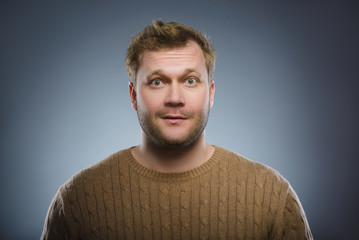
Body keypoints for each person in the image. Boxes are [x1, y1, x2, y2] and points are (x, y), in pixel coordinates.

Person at [41, 20, 313, 239]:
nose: (175, 97)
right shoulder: (77, 200)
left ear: (211, 94)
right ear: (134, 96)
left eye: (191, 80)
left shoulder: (271, 196)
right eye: (157, 82)